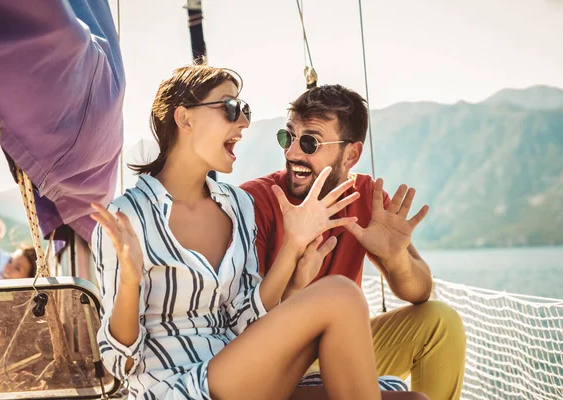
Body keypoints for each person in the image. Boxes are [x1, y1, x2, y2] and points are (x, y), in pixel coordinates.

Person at [91, 65, 429, 400]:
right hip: (175, 388)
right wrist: (128, 282)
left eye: (245, 110)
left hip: (241, 374)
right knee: (341, 294)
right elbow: (121, 361)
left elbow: (246, 319)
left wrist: (293, 248)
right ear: (185, 119)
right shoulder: (127, 217)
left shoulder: (237, 205)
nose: (244, 122)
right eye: (230, 108)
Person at [240, 84, 467, 400]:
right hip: (278, 361)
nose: (292, 153)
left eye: (310, 142)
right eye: (287, 137)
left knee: (440, 322)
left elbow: (419, 291)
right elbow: (242, 323)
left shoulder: (368, 199)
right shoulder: (255, 200)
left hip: (341, 346)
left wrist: (394, 258)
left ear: (351, 154)